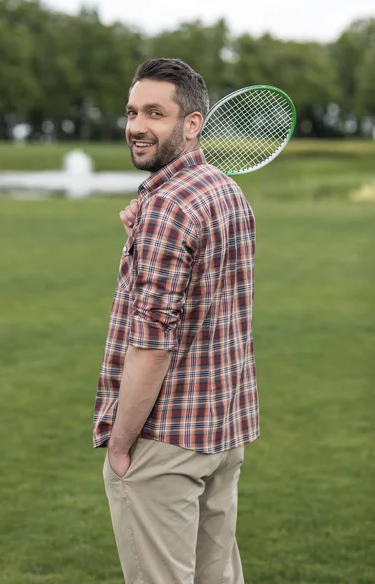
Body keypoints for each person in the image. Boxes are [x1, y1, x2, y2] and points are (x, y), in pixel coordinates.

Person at [93, 58, 259, 584]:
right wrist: (140, 237)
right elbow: (204, 299)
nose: (137, 126)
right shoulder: (223, 190)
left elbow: (151, 343)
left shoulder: (168, 207)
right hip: (221, 433)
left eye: (155, 113)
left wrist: (121, 445)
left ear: (191, 124)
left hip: (166, 441)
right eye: (132, 111)